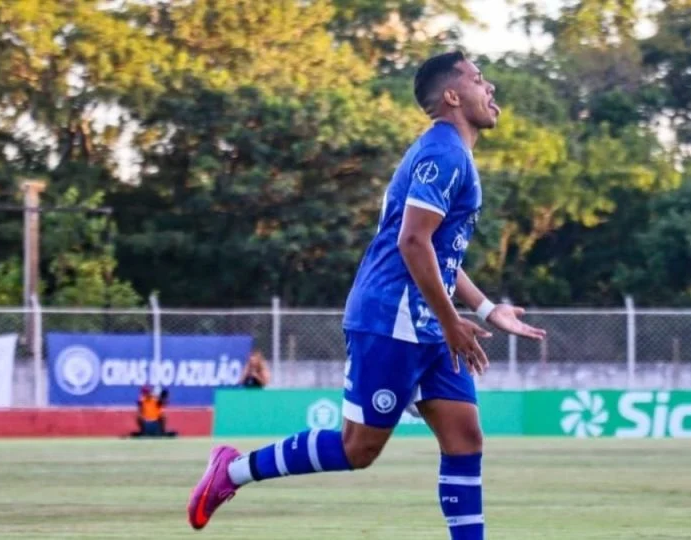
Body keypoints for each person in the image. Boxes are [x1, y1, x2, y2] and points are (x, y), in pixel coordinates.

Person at [186, 50, 547, 537]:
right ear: (453, 95)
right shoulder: (443, 153)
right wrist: (451, 322)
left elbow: (439, 255)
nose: (491, 89)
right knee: (358, 449)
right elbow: (412, 242)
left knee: (465, 438)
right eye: (479, 80)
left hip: (429, 321)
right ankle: (229, 471)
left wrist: (484, 309)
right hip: (392, 317)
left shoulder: (452, 154)